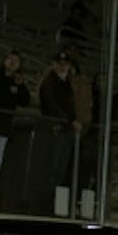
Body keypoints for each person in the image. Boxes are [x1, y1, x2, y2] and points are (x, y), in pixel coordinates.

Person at [0, 49, 30, 208]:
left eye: (16, 61)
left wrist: (20, 85)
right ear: (5, 60)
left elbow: (25, 101)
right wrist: (11, 91)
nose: (12, 63)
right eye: (10, 59)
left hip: (4, 128)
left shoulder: (16, 80)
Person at [39, 49, 79, 200]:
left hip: (67, 128)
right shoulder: (49, 81)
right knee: (52, 166)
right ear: (54, 65)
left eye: (65, 64)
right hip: (55, 127)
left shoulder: (69, 82)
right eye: (59, 63)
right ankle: (46, 199)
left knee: (61, 167)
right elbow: (52, 105)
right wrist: (70, 120)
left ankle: (53, 199)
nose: (63, 66)